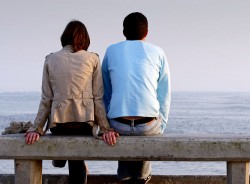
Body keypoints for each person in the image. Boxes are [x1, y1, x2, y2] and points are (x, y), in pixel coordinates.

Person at [25, 20, 119, 184]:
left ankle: (60, 159)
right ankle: (74, 172)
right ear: (86, 39)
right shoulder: (93, 59)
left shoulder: (50, 59)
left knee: (73, 155)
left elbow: (46, 99)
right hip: (85, 124)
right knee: (77, 160)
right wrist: (105, 129)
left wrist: (36, 128)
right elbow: (98, 98)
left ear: (64, 38)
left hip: (59, 126)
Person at [102, 12, 171, 184]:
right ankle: (141, 177)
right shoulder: (158, 52)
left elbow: (105, 92)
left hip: (119, 125)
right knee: (145, 132)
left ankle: (125, 177)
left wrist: (106, 125)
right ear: (146, 32)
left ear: (124, 31)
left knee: (125, 131)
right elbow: (164, 93)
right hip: (148, 125)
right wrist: (161, 124)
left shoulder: (111, 51)